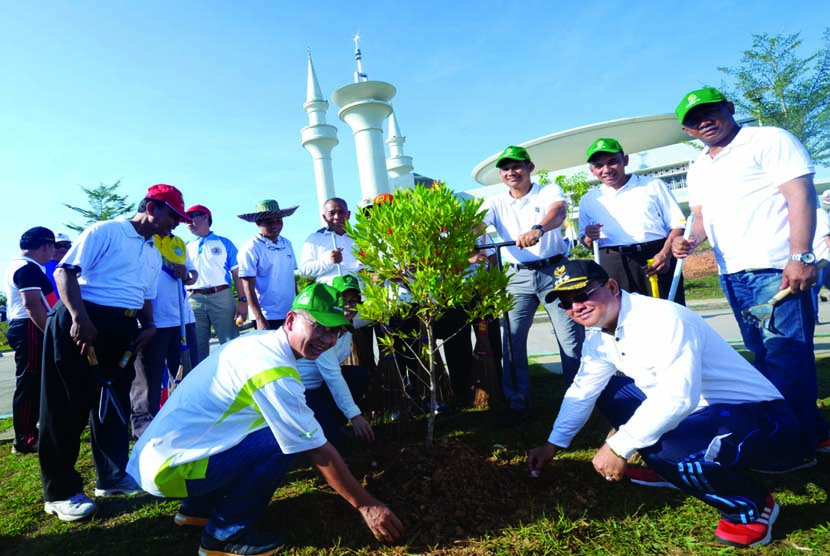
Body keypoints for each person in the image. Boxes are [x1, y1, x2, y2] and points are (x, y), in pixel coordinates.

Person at [528, 260, 798, 548]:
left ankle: (752, 506)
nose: (575, 307)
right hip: (701, 414)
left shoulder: (664, 319)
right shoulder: (598, 336)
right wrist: (553, 444)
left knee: (664, 449)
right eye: (566, 304)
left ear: (611, 287)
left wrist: (619, 446)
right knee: (607, 390)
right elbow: (582, 391)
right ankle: (669, 470)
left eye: (582, 295)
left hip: (762, 418)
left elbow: (678, 397)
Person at [127, 283, 402, 555]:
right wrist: (366, 504)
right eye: (319, 327)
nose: (327, 339)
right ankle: (224, 535)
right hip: (171, 471)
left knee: (275, 430)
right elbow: (315, 447)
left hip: (164, 459)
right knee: (283, 441)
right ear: (291, 319)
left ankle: (197, 509)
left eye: (335, 332)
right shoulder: (274, 369)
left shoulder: (258, 342)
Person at [671, 86, 830, 467]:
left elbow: (800, 196)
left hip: (777, 267)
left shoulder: (768, 139)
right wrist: (689, 240)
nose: (703, 122)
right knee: (763, 356)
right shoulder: (699, 166)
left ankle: (798, 446)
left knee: (786, 356)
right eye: (693, 120)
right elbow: (702, 218)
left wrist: (801, 255)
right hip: (733, 273)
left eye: (710, 112)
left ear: (729, 107)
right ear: (687, 131)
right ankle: (813, 431)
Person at [39, 184, 190, 522]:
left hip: (123, 328)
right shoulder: (107, 230)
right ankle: (60, 492)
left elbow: (145, 295)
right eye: (172, 216)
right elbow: (66, 272)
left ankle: (111, 477)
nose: (176, 224)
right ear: (152, 207)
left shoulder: (154, 250)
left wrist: (148, 326)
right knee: (66, 404)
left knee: (113, 403)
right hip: (83, 321)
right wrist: (79, 318)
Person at [482, 145, 584, 424]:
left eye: (516, 166)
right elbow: (476, 226)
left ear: (530, 168)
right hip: (518, 276)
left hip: (556, 270)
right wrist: (474, 245)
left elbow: (558, 212)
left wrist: (538, 229)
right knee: (512, 342)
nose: (511, 172)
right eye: (505, 168)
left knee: (571, 340)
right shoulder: (494, 202)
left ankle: (580, 404)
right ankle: (518, 404)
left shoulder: (547, 191)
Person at [580, 138, 686, 303]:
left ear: (625, 160)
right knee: (622, 318)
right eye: (599, 166)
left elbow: (678, 224)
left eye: (612, 162)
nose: (606, 170)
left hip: (653, 258)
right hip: (612, 263)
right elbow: (586, 243)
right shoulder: (589, 199)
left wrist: (665, 255)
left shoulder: (652, 185)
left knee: (667, 314)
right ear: (592, 170)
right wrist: (588, 237)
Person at [130, 232, 199, 438]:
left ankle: (182, 419)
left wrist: (186, 275)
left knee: (185, 373)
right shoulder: (139, 242)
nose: (175, 222)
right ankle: (144, 428)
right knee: (148, 376)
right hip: (152, 319)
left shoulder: (178, 242)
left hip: (182, 318)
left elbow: (193, 274)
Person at [296, 274, 372, 448]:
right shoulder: (325, 329)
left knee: (358, 375)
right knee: (332, 442)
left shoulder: (351, 321)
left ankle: (334, 423)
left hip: (320, 386)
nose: (348, 306)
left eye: (353, 301)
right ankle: (325, 428)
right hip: (303, 391)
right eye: (343, 300)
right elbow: (333, 377)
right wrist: (355, 416)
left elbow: (379, 313)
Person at [3, 227, 57, 454]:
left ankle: (34, 431)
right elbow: (32, 305)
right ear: (45, 246)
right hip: (30, 327)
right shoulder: (26, 269)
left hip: (29, 326)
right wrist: (52, 333)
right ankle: (25, 439)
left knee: (38, 381)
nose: (54, 252)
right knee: (30, 382)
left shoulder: (25, 266)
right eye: (53, 246)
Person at [185, 204, 247, 364]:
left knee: (230, 343)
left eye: (191, 218)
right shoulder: (186, 247)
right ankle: (202, 386)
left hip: (221, 296)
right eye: (185, 220)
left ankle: (235, 382)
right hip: (193, 299)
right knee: (196, 347)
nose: (187, 222)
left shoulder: (224, 243)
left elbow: (237, 274)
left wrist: (243, 301)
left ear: (206, 217)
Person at [238, 199, 299, 330]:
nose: (275, 225)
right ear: (258, 222)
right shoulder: (251, 248)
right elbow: (247, 285)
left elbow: (291, 278)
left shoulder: (287, 244)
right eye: (270, 222)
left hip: (290, 311)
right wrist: (260, 318)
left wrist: (298, 307)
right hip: (267, 315)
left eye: (278, 221)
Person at [300, 197, 361, 284]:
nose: (337, 217)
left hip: (358, 293)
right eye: (332, 213)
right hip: (329, 292)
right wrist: (329, 261)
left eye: (341, 212)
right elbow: (305, 270)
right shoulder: (315, 238)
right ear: (324, 217)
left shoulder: (360, 237)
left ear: (348, 214)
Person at [43, 232, 71, 299]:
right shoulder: (41, 267)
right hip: (49, 307)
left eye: (66, 246)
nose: (62, 249)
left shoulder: (75, 266)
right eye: (57, 246)